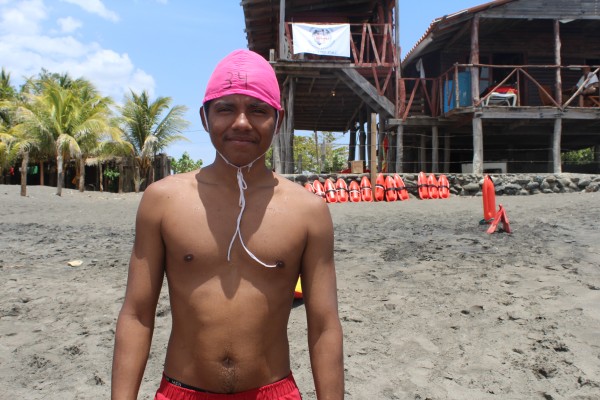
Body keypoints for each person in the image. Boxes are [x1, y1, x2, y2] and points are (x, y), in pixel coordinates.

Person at [111, 49, 344, 400]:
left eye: (258, 110)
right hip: (181, 391)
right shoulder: (163, 200)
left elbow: (324, 325)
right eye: (225, 108)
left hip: (275, 391)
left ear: (277, 122)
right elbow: (137, 314)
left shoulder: (308, 211)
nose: (241, 123)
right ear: (205, 117)